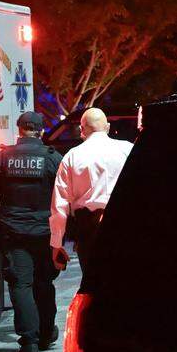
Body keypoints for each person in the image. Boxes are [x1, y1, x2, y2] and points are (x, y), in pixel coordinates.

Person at [0, 111, 63, 352]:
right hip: (45, 231)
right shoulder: (52, 158)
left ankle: (29, 343)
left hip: (13, 232)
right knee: (44, 283)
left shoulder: (2, 158)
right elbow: (65, 196)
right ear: (41, 131)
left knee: (21, 285)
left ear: (19, 130)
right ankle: (46, 333)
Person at [49, 107, 133, 290]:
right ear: (108, 127)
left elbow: (60, 204)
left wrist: (57, 243)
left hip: (89, 229)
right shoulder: (128, 150)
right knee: (125, 283)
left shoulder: (72, 157)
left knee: (94, 287)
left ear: (82, 130)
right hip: (124, 225)